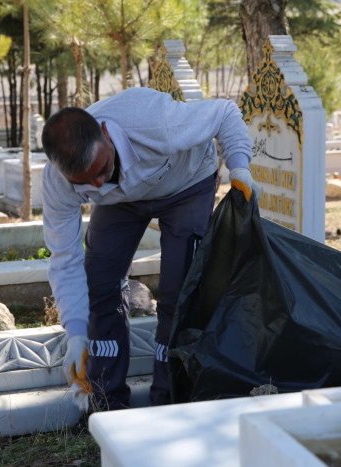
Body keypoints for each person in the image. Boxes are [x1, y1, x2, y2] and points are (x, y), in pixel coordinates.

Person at [41, 87, 259, 410]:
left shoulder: (157, 124)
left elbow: (225, 113)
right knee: (100, 283)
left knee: (179, 290)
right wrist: (74, 332)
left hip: (188, 182)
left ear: (105, 133)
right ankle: (106, 403)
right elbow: (65, 258)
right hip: (123, 203)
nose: (98, 185)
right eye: (86, 183)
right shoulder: (60, 183)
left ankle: (168, 402)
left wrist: (240, 168)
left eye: (102, 169)